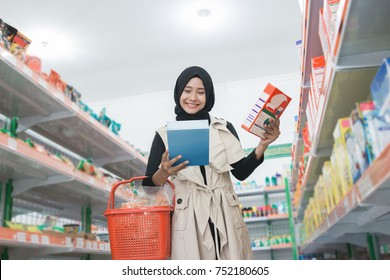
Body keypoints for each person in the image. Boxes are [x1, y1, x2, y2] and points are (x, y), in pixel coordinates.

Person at [143, 66, 281, 260]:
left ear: (209, 96)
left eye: (201, 92)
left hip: (224, 212)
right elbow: (149, 186)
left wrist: (263, 145)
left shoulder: (223, 127)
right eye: (187, 90)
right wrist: (164, 172)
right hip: (188, 217)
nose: (193, 98)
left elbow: (240, 172)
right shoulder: (163, 135)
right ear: (178, 92)